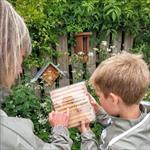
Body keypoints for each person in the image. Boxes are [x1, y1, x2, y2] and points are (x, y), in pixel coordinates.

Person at [0, 0, 72, 149]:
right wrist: (60, 128)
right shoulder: (7, 133)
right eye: (21, 59)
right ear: (6, 52)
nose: (20, 70)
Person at [79, 52, 150, 150]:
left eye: (99, 96)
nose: (98, 100)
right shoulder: (142, 113)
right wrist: (98, 111)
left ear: (113, 99)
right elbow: (121, 124)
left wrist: (87, 136)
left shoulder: (116, 146)